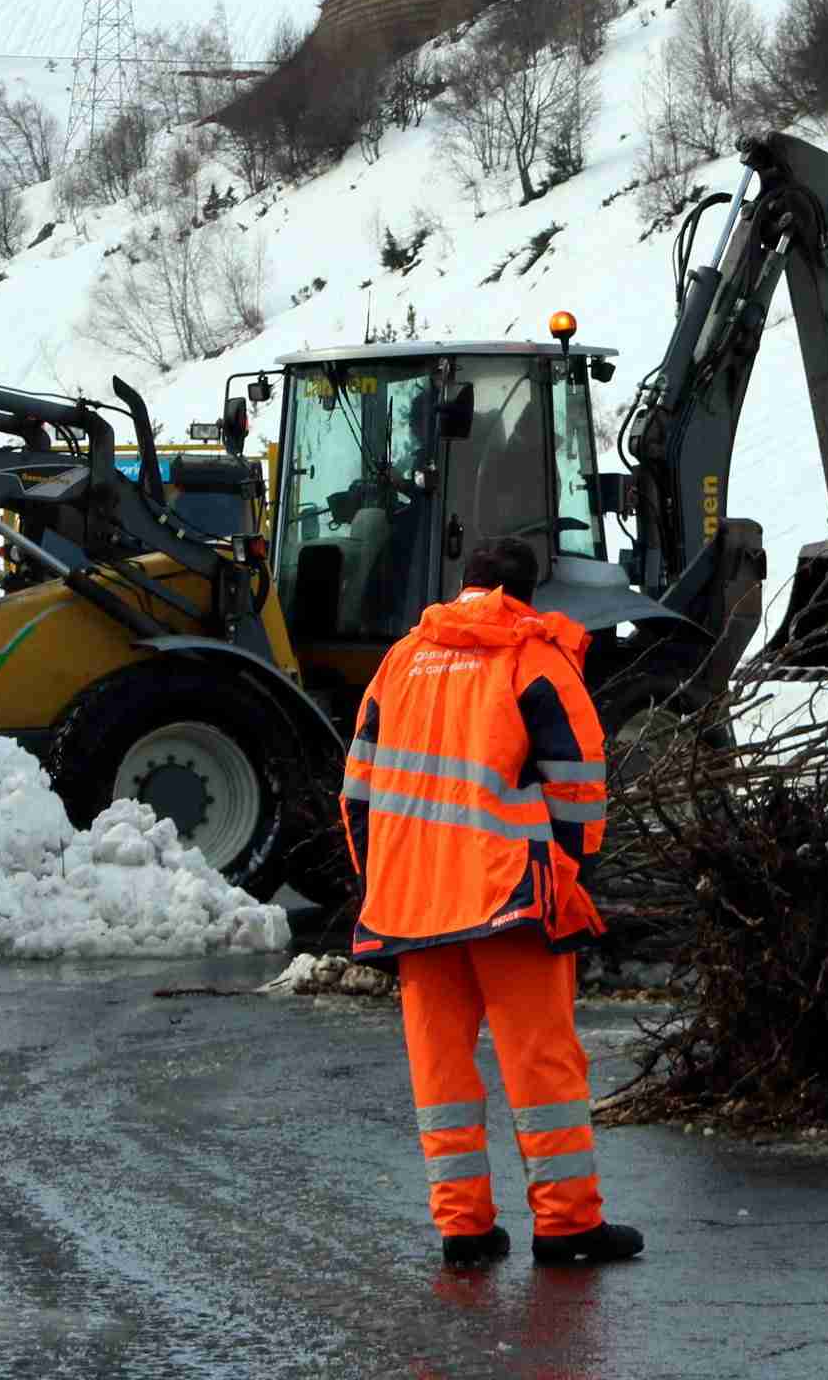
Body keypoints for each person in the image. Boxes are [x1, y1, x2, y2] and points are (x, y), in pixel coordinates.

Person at [342, 533, 643, 1270]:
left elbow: (357, 791)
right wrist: (565, 874)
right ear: (527, 594)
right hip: (510, 896)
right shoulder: (533, 656)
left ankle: (464, 1230)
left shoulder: (401, 660)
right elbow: (579, 782)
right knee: (541, 1066)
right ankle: (567, 1226)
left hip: (412, 904)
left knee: (441, 1072)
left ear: (465, 584)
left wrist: (382, 879)